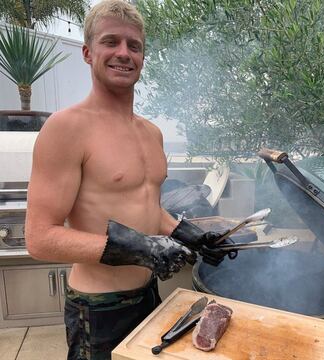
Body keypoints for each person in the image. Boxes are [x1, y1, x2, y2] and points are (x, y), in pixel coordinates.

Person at [25, 1, 233, 359]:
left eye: (133, 46)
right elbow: (39, 238)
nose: (124, 53)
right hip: (98, 307)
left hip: (149, 295)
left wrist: (188, 235)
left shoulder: (151, 133)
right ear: (88, 53)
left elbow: (146, 209)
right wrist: (141, 248)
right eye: (111, 42)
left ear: (142, 57)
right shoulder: (66, 128)